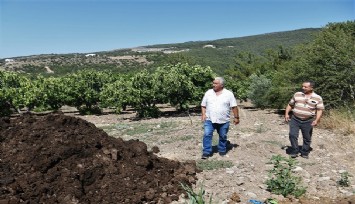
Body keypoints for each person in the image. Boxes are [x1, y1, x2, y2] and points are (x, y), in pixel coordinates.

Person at [201, 77, 240, 159]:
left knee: (223, 135)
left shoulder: (228, 94)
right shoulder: (208, 93)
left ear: (221, 85)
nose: (213, 85)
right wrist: (203, 114)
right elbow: (203, 105)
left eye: (215, 83)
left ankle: (222, 149)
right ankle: (206, 152)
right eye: (213, 83)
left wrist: (236, 117)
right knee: (207, 134)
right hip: (209, 119)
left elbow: (234, 106)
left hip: (223, 120)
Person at [284, 80, 324, 159]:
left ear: (311, 87)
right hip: (295, 119)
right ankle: (295, 151)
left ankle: (305, 152)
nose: (303, 88)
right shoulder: (297, 94)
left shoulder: (318, 98)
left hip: (308, 120)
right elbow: (290, 104)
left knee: (307, 137)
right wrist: (286, 114)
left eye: (305, 87)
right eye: (302, 86)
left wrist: (317, 120)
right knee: (292, 135)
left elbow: (319, 110)